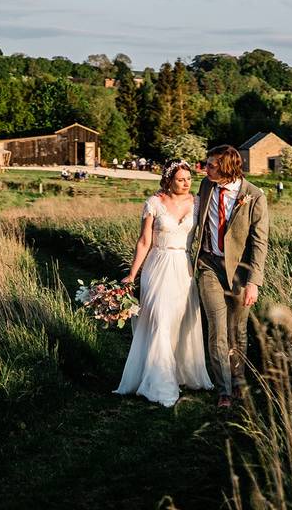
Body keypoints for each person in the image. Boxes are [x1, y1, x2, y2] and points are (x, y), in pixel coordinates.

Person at [115, 160, 214, 406]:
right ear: (169, 180)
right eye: (180, 179)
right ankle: (159, 383)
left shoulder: (198, 203)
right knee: (159, 317)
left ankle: (180, 372)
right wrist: (132, 274)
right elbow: (143, 242)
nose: (186, 183)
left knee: (179, 321)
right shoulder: (154, 203)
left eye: (189, 179)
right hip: (158, 265)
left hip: (183, 267)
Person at [193, 145, 269, 408]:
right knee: (217, 327)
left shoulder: (254, 196)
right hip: (209, 265)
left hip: (240, 272)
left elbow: (260, 243)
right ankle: (223, 388)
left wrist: (253, 283)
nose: (206, 169)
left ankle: (238, 380)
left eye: (211, 165)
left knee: (237, 330)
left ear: (227, 167)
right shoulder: (205, 186)